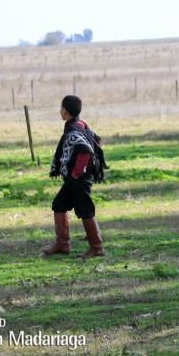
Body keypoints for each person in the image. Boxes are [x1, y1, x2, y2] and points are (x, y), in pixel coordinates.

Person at [43, 95, 105, 259]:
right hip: (76, 177)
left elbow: (85, 150)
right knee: (59, 204)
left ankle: (97, 247)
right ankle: (63, 244)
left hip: (79, 177)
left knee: (85, 210)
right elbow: (96, 140)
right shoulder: (81, 124)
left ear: (64, 110)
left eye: (61, 107)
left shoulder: (72, 130)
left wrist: (77, 173)